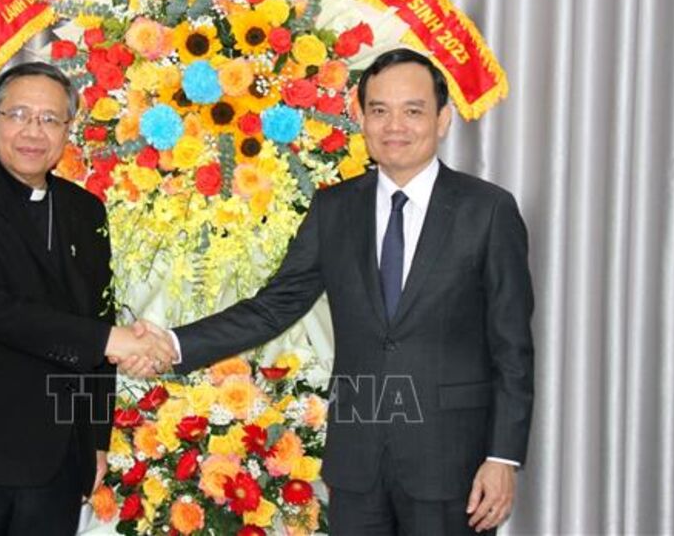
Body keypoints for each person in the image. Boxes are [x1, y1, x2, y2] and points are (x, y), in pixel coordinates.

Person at [129, 48, 535, 535]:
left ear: (443, 119)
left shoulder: (487, 211)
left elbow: (512, 347)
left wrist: (502, 456)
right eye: (379, 110)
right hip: (357, 467)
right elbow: (273, 307)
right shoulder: (334, 209)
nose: (395, 126)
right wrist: (174, 344)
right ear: (360, 118)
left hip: (453, 464)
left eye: (413, 110)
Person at [0, 62, 175, 535]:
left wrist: (95, 439)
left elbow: (98, 315)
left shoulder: (84, 210)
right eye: (19, 115)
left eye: (50, 119)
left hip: (57, 462)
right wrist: (112, 339)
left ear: (68, 131)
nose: (33, 131)